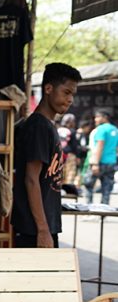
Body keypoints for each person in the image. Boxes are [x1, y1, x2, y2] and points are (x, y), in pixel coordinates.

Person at [12, 63, 81, 248]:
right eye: (66, 92)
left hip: (44, 226)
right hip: (33, 230)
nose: (70, 99)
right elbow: (31, 179)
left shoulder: (47, 125)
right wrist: (42, 230)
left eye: (73, 94)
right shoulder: (38, 127)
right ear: (48, 89)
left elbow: (43, 177)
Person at [83, 109, 118, 204]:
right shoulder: (115, 130)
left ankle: (88, 208)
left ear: (105, 118)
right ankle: (104, 209)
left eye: (98, 117)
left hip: (99, 162)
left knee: (88, 185)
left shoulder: (101, 129)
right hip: (111, 163)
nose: (95, 119)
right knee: (107, 189)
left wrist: (95, 164)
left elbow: (100, 146)